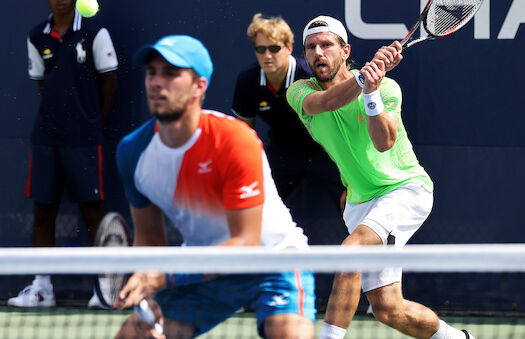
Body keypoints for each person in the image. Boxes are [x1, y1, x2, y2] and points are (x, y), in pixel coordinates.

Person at [286, 16, 476, 339]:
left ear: (345, 50)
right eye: (311, 47)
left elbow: (384, 141)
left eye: (327, 45)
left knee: (350, 253)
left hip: (404, 190)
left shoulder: (387, 88)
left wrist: (371, 92)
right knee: (388, 309)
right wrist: (362, 80)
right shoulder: (300, 92)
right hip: (361, 201)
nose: (318, 53)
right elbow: (327, 102)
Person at [114, 35, 315, 339]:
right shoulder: (133, 152)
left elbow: (246, 243)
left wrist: (165, 275)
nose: (157, 82)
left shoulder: (234, 141)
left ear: (199, 87)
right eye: (152, 72)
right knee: (133, 336)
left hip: (274, 260)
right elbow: (150, 236)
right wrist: (147, 294)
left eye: (170, 73)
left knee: (290, 335)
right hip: (203, 268)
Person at [9, 0, 118, 308]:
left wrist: (91, 122)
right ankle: (42, 288)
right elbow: (44, 84)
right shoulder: (36, 36)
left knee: (93, 213)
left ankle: (106, 288)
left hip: (85, 140)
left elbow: (110, 83)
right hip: (46, 139)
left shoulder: (96, 33)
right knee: (43, 213)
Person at [232, 13, 342, 205]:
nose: (267, 55)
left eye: (274, 48)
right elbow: (244, 134)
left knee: (350, 202)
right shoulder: (246, 80)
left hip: (324, 149)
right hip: (282, 151)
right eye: (260, 49)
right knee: (258, 202)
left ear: (289, 48)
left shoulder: (309, 75)